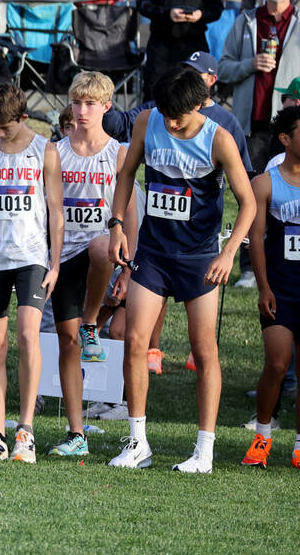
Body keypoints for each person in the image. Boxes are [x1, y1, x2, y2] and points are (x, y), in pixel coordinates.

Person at [107, 68, 255, 472]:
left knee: (205, 351)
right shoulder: (147, 121)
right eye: (166, 114)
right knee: (136, 342)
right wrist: (117, 224)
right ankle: (137, 443)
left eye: (179, 117)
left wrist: (227, 254)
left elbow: (249, 202)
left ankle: (204, 450)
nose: (171, 123)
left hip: (199, 260)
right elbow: (125, 175)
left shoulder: (219, 139)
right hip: (153, 254)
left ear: (199, 104)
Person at [0, 83, 64, 463]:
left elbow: (56, 210)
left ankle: (26, 432)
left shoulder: (45, 150)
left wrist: (54, 263)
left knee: (28, 335)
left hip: (32, 257)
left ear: (24, 118)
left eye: (6, 127)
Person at [48, 71, 138, 458]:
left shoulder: (118, 152)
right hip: (61, 254)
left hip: (101, 252)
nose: (82, 111)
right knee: (66, 343)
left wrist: (129, 269)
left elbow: (130, 215)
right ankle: (76, 433)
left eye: (90, 104)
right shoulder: (55, 150)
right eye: (76, 103)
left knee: (104, 245)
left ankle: (91, 322)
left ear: (106, 106)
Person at [241, 105, 300, 468]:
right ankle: (262, 435)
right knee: (277, 365)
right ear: (285, 139)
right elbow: (257, 240)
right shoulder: (266, 182)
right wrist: (263, 288)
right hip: (280, 289)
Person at [219, 0, 300, 172]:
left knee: (291, 196)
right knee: (252, 192)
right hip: (253, 127)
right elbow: (223, 70)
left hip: (293, 127)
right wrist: (250, 64)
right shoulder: (246, 21)